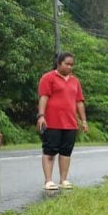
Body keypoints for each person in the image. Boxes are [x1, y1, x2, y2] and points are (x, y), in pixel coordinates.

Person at [36, 52, 88, 190]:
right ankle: (48, 180)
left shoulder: (75, 81)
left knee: (66, 152)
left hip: (70, 123)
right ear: (59, 63)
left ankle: (63, 179)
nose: (70, 67)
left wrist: (83, 120)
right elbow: (43, 97)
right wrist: (41, 116)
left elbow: (79, 102)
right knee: (50, 151)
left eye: (72, 65)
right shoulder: (48, 78)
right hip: (52, 122)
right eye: (67, 64)